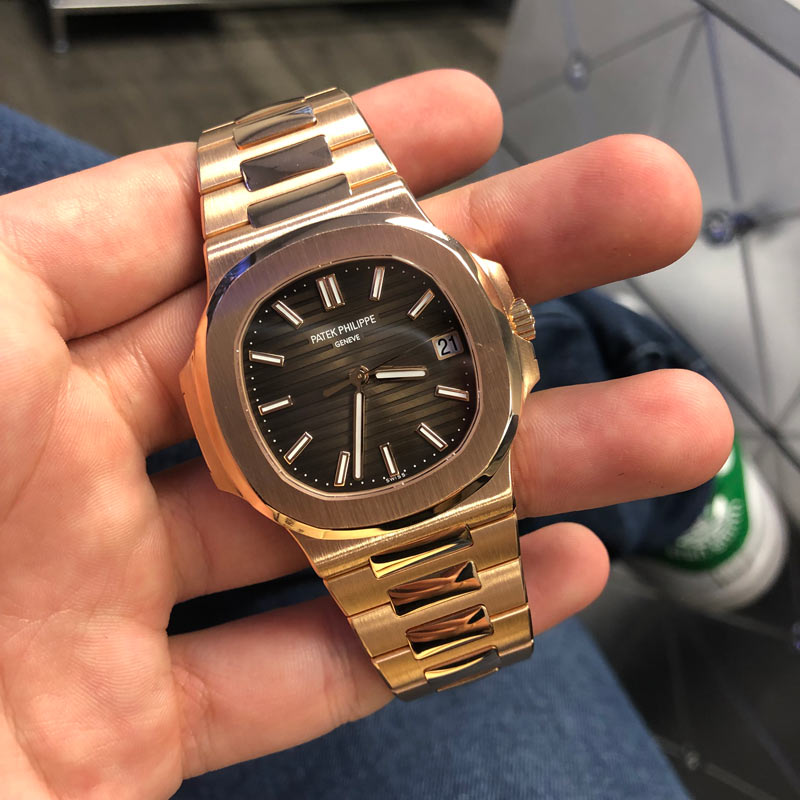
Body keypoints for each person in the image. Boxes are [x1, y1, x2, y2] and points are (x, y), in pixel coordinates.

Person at [0, 69, 772, 799]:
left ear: (506, 319)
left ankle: (632, 415)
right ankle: (620, 376)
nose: (360, 376)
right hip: (336, 494)